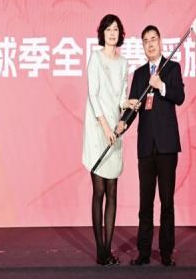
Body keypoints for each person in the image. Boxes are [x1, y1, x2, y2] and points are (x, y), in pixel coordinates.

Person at [124, 25, 185, 267]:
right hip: (146, 147)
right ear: (143, 46)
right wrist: (122, 124)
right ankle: (143, 252)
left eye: (153, 39)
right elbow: (133, 107)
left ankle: (167, 252)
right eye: (146, 41)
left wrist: (161, 85)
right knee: (145, 204)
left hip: (167, 146)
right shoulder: (139, 74)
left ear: (160, 42)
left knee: (167, 203)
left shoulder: (172, 68)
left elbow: (179, 97)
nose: (150, 44)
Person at [82, 14, 130, 266]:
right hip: (97, 127)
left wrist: (128, 105)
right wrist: (104, 128)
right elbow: (93, 95)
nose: (112, 33)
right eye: (109, 29)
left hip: (114, 128)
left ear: (120, 34)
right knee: (99, 190)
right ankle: (100, 250)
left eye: (116, 30)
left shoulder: (123, 63)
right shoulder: (95, 58)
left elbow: (121, 97)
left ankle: (108, 249)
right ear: (102, 33)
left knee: (112, 190)